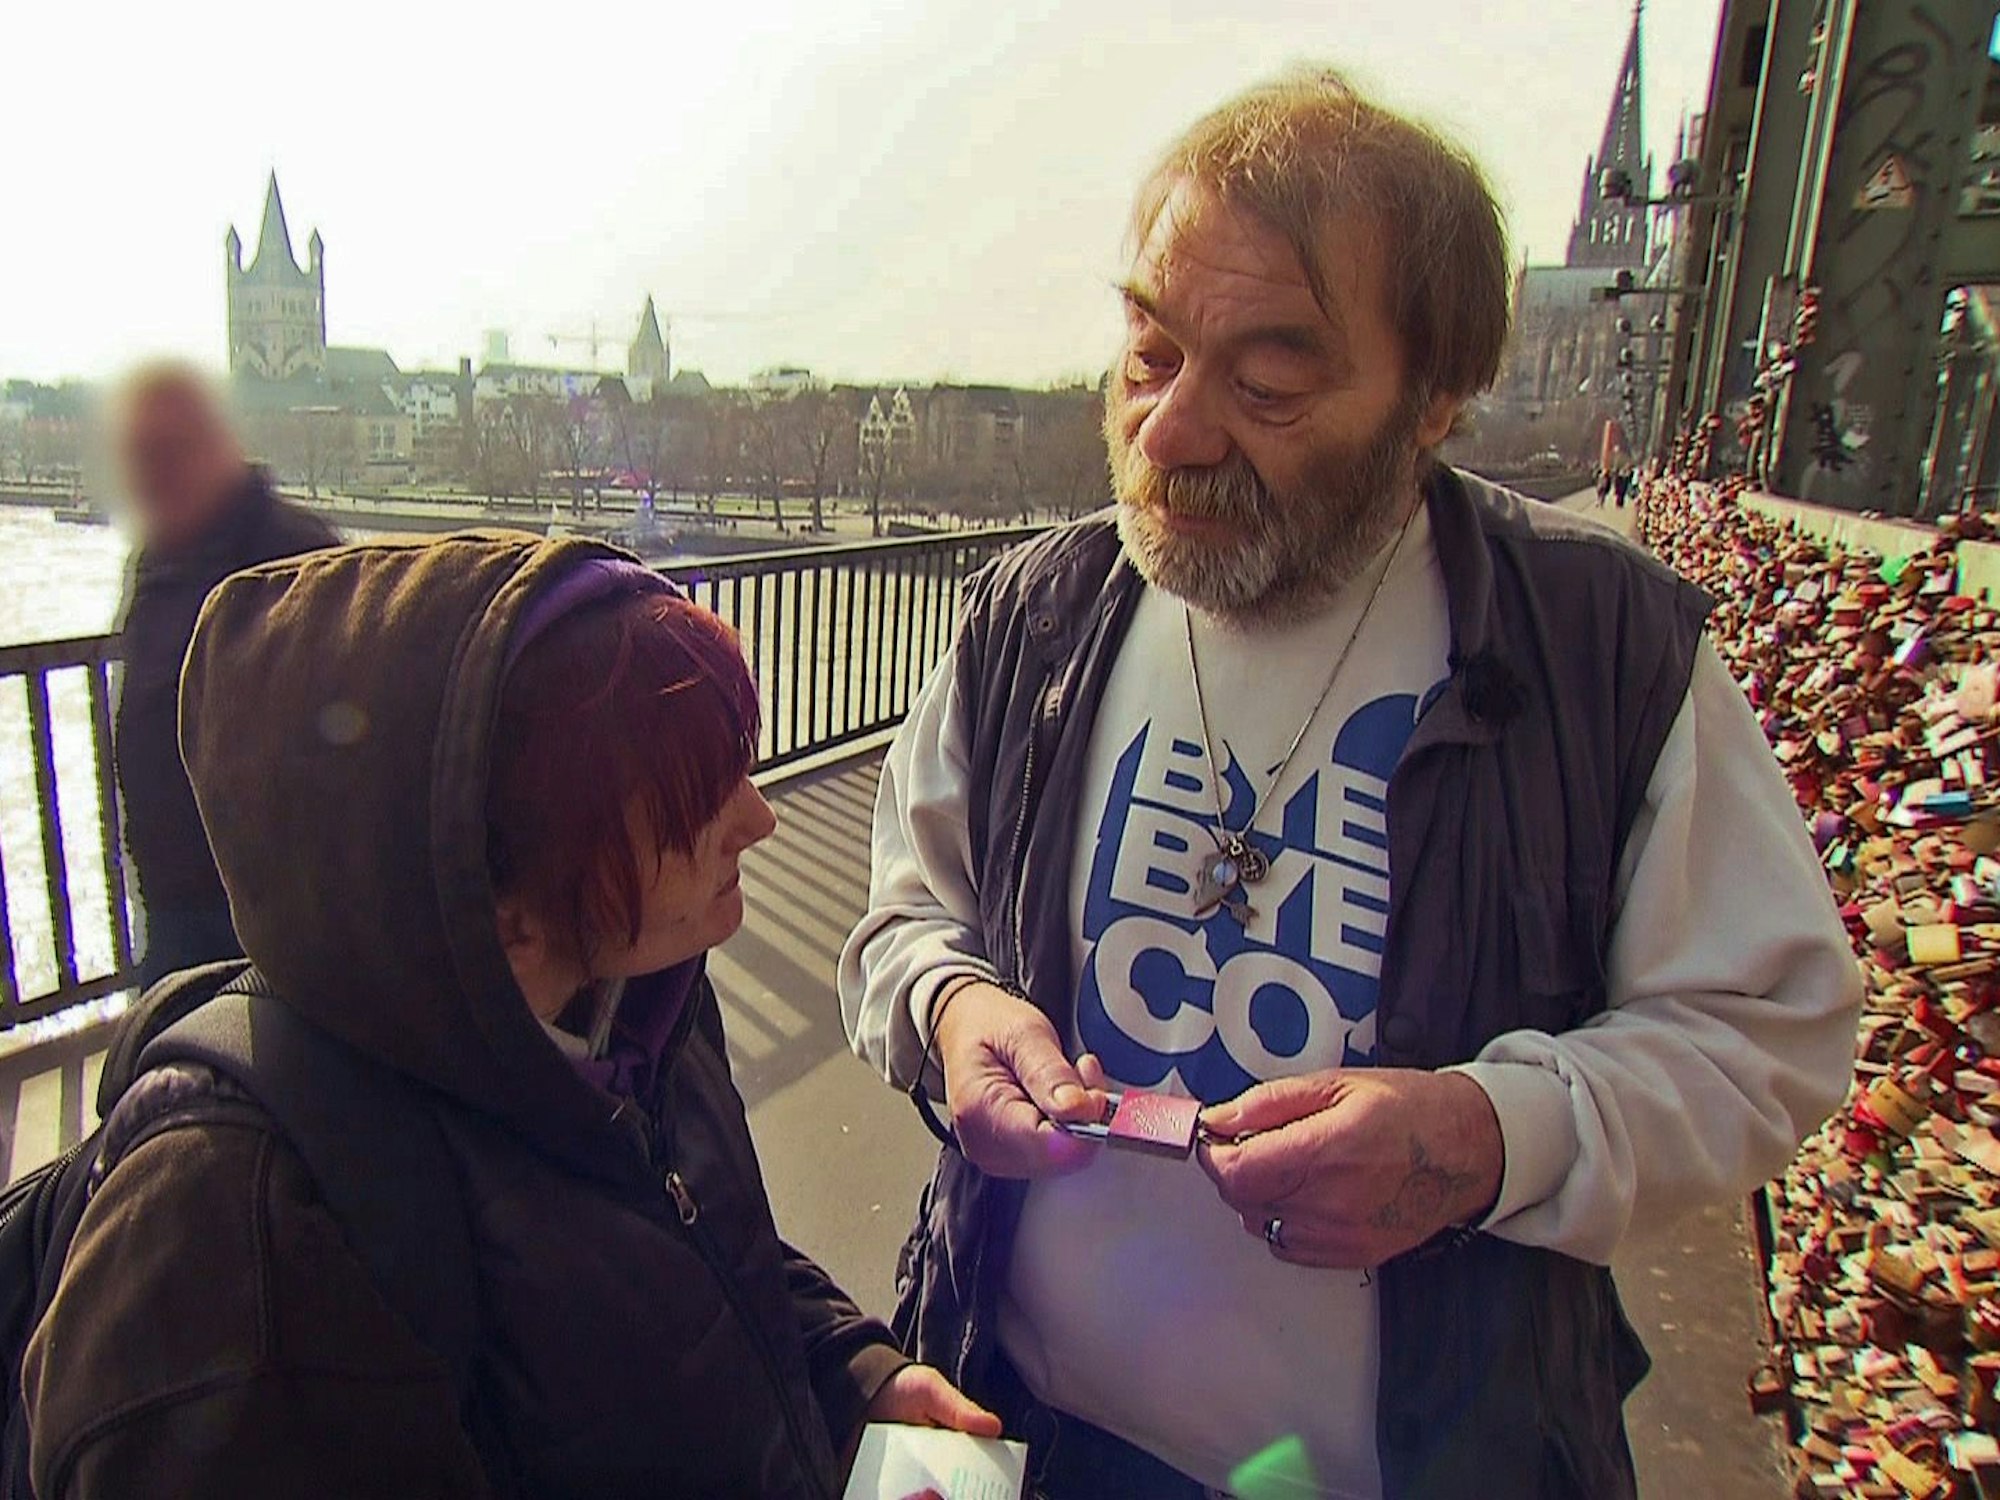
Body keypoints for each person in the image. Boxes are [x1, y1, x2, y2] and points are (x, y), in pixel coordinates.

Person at [839, 68, 1860, 1500]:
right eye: (1148, 355)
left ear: (1436, 398)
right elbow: (898, 922)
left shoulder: (1605, 650)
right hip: (1024, 1436)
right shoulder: (1038, 613)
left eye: (1269, 383)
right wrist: (951, 1011)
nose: (1176, 431)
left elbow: (1774, 1034)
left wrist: (1492, 1137)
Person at [25, 535, 995, 1496]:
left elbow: (694, 1253)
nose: (758, 816)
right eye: (696, 797)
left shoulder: (638, 1002)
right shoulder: (240, 1235)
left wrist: (855, 1377)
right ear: (499, 907)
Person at [110, 362, 338, 986]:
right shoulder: (156, 558)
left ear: (220, 444)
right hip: (171, 899)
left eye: (170, 450)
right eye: (140, 455)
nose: (154, 473)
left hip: (267, 911)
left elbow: (352, 728)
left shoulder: (296, 554)